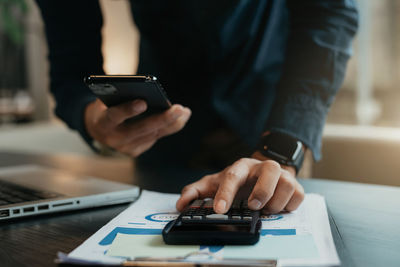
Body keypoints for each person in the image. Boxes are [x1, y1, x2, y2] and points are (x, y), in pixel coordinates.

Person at [35, 0, 358, 215]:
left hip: (273, 128)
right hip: (160, 146)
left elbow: (329, 14)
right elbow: (70, 59)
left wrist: (282, 147)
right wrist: (91, 117)